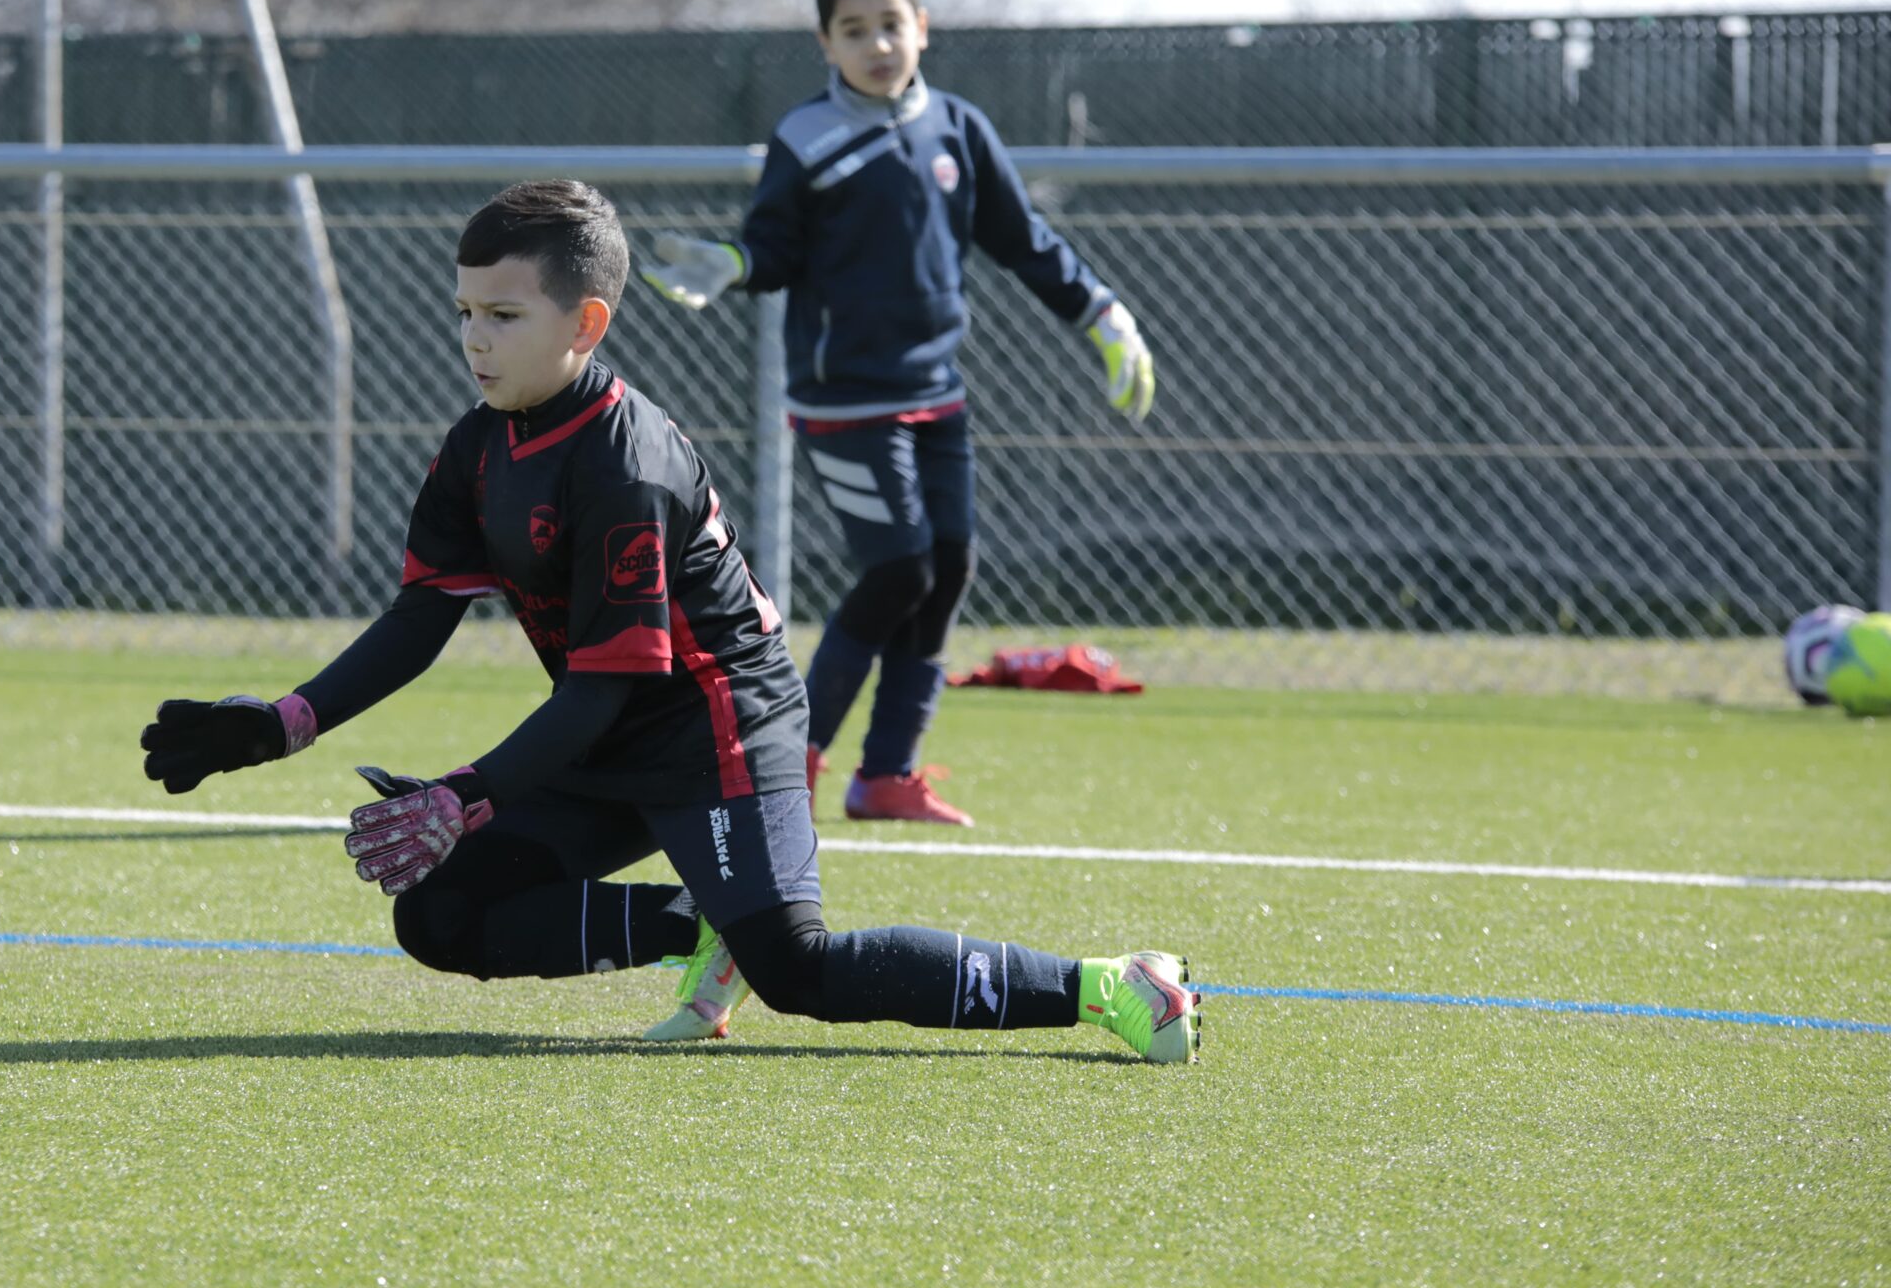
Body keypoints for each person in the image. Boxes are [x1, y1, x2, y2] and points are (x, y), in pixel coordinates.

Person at [139, 180, 1198, 1059]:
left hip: (717, 730)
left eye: (502, 316)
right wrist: (289, 720)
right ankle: (702, 929)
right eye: (463, 311)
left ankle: (1112, 986)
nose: (474, 338)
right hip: (610, 731)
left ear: (585, 322)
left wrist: (464, 792)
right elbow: (425, 613)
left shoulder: (623, 460)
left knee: (804, 973)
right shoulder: (476, 444)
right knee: (441, 914)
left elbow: (609, 683)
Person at [641, 0, 1157, 827]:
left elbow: (1025, 240)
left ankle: (887, 776)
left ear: (922, 27)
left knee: (947, 567)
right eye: (854, 30)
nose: (877, 42)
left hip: (936, 392)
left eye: (891, 24)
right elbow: (773, 248)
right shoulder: (807, 138)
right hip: (844, 401)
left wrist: (1104, 313)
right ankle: (782, 760)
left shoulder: (958, 127)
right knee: (898, 571)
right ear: (825, 43)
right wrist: (731, 261)